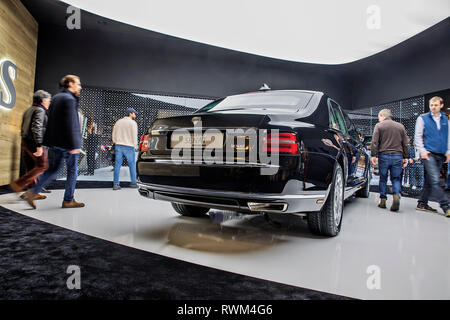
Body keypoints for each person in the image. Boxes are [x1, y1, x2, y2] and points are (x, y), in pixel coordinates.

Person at [23, 75, 85, 209]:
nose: (80, 86)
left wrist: (48, 141)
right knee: (72, 171)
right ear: (70, 84)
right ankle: (68, 200)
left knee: (52, 170)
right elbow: (72, 123)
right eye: (78, 84)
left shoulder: (56, 98)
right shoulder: (69, 99)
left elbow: (49, 121)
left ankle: (33, 191)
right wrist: (75, 144)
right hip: (68, 143)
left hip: (55, 142)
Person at [10, 90, 51, 200]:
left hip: (25, 141)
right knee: (42, 165)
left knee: (31, 167)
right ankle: (19, 184)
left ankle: (32, 192)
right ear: (43, 100)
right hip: (34, 142)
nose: (49, 102)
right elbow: (36, 127)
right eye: (48, 100)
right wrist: (39, 145)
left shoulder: (28, 110)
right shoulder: (40, 110)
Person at [414, 96, 450, 217]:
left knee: (430, 180)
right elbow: (418, 136)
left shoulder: (446, 120)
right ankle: (446, 206)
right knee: (436, 180)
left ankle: (422, 203)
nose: (433, 107)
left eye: (435, 105)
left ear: (441, 105)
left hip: (441, 155)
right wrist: (422, 150)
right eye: (431, 105)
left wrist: (448, 151)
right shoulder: (422, 118)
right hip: (428, 154)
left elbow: (448, 137)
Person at [370, 109, 409, 211]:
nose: (379, 119)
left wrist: (373, 155)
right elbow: (405, 143)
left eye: (379, 117)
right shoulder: (400, 126)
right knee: (396, 178)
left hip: (383, 156)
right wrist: (406, 157)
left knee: (383, 178)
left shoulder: (379, 126)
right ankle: (396, 194)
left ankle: (383, 200)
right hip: (398, 156)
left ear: (382, 115)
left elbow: (374, 142)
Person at [112, 107, 138, 190]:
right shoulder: (133, 123)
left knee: (117, 165)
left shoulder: (118, 122)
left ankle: (116, 184)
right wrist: (135, 145)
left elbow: (114, 134)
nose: (135, 115)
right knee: (132, 165)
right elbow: (134, 136)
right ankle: (133, 183)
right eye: (134, 113)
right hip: (129, 146)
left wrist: (116, 142)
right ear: (130, 113)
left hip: (119, 145)